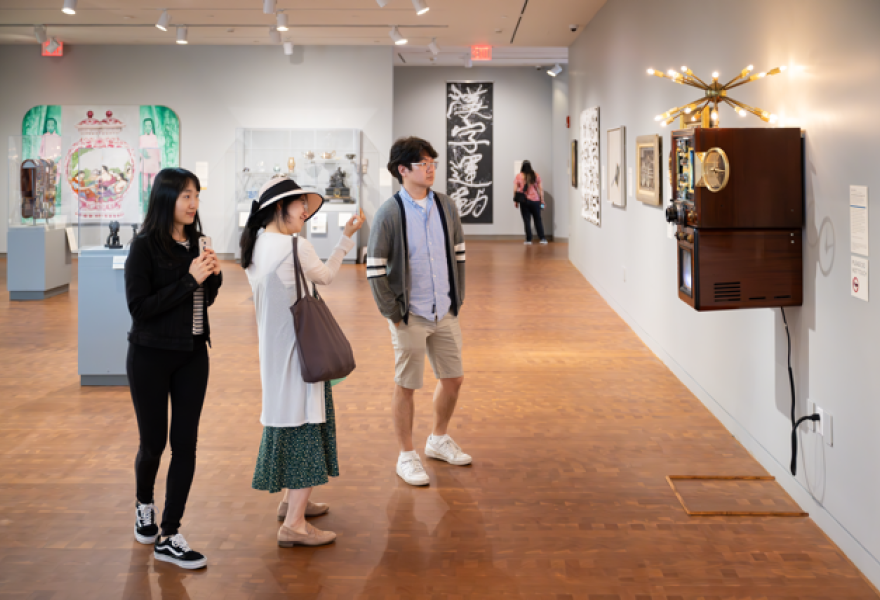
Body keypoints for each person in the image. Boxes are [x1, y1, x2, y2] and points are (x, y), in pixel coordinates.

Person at [240, 175, 363, 548]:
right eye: (300, 205)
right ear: (280, 208)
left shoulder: (256, 245)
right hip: (301, 356)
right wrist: (346, 239)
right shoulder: (295, 246)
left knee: (286, 424)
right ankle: (294, 523)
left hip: (273, 355)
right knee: (306, 426)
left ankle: (291, 504)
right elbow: (324, 277)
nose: (305, 212)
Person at [124, 167, 222, 570]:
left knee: (186, 444)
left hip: (193, 353)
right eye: (185, 196)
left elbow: (205, 301)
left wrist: (211, 274)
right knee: (153, 444)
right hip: (150, 355)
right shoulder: (144, 246)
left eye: (196, 195)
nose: (193, 203)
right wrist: (189, 278)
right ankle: (143, 503)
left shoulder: (197, 242)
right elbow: (140, 309)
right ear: (166, 199)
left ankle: (170, 533)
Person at [367, 136, 470, 487]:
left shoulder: (445, 205)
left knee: (453, 378)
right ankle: (406, 455)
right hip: (409, 314)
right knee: (406, 384)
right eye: (424, 163)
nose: (430, 169)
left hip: (444, 309)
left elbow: (458, 252)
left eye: (433, 163)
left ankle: (438, 439)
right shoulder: (389, 212)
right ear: (403, 169)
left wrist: (458, 297)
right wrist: (393, 314)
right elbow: (375, 267)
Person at [514, 160, 547, 245]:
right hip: (535, 201)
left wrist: (516, 201)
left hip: (524, 201)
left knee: (526, 220)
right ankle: (542, 238)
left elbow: (515, 189)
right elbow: (541, 189)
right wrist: (542, 200)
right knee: (538, 219)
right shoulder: (536, 175)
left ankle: (528, 240)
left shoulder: (518, 176)